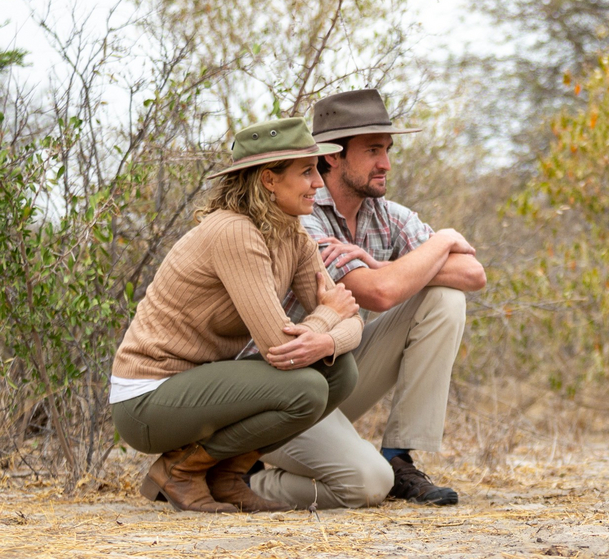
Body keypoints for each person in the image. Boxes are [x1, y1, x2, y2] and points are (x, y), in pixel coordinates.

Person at [110, 117, 362, 513]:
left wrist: (328, 335)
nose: (319, 183)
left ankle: (226, 476)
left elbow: (353, 320)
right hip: (147, 399)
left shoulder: (294, 235)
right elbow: (281, 347)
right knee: (307, 388)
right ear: (269, 180)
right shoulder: (234, 232)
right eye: (307, 171)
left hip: (200, 387)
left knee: (340, 371)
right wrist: (329, 315)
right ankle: (180, 470)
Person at [249, 90, 486, 509]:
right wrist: (445, 238)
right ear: (333, 156)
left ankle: (399, 457)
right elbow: (380, 294)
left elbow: (473, 275)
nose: (387, 164)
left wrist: (376, 262)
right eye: (373, 150)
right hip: (277, 394)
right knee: (366, 485)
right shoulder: (302, 213)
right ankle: (239, 480)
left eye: (388, 149)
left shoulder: (388, 215)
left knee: (446, 298)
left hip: (332, 376)